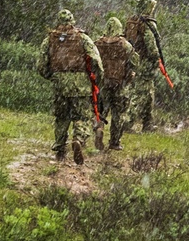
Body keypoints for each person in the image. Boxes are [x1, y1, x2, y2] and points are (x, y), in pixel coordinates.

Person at [37, 9, 103, 164]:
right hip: (80, 84)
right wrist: (97, 79)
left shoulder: (49, 40)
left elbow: (41, 65)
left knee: (61, 117)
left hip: (59, 84)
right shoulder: (83, 38)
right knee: (82, 116)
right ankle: (78, 139)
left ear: (58, 21)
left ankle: (60, 149)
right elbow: (96, 60)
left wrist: (53, 76)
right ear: (72, 21)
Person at [94, 16, 137, 151]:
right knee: (119, 114)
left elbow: (93, 63)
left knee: (101, 110)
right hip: (120, 84)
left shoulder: (97, 43)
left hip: (102, 83)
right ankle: (114, 142)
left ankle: (99, 127)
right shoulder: (126, 45)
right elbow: (134, 64)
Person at [125, 0, 163, 131]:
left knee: (149, 93)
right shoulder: (147, 23)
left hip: (134, 61)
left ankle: (148, 123)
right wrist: (156, 57)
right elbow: (151, 46)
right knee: (141, 93)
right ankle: (127, 123)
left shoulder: (132, 21)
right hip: (146, 63)